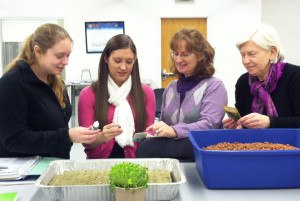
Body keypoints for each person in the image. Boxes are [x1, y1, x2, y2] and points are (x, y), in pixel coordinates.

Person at [0, 23, 99, 158]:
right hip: (27, 172)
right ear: (38, 51)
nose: (66, 61)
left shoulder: (56, 81)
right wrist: (67, 136)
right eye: (59, 56)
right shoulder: (12, 83)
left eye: (68, 55)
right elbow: (15, 139)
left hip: (55, 163)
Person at [136, 28, 228, 161]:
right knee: (144, 146)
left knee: (146, 149)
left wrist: (174, 131)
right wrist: (157, 132)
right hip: (174, 151)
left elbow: (209, 125)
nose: (178, 60)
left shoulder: (214, 86)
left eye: (185, 54)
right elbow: (165, 122)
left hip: (201, 151)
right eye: (176, 54)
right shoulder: (170, 88)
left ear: (200, 56)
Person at [78, 34, 156, 159]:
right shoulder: (88, 94)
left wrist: (151, 134)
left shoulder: (146, 93)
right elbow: (86, 140)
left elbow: (149, 130)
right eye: (117, 61)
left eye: (129, 62)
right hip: (100, 165)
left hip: (136, 163)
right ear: (106, 58)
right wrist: (102, 136)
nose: (123, 67)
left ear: (134, 61)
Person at [223, 23, 300, 129]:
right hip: (254, 144)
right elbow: (243, 121)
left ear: (272, 53)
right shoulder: (243, 82)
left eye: (252, 54)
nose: (245, 61)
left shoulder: (295, 76)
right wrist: (237, 123)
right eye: (243, 55)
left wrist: (270, 122)